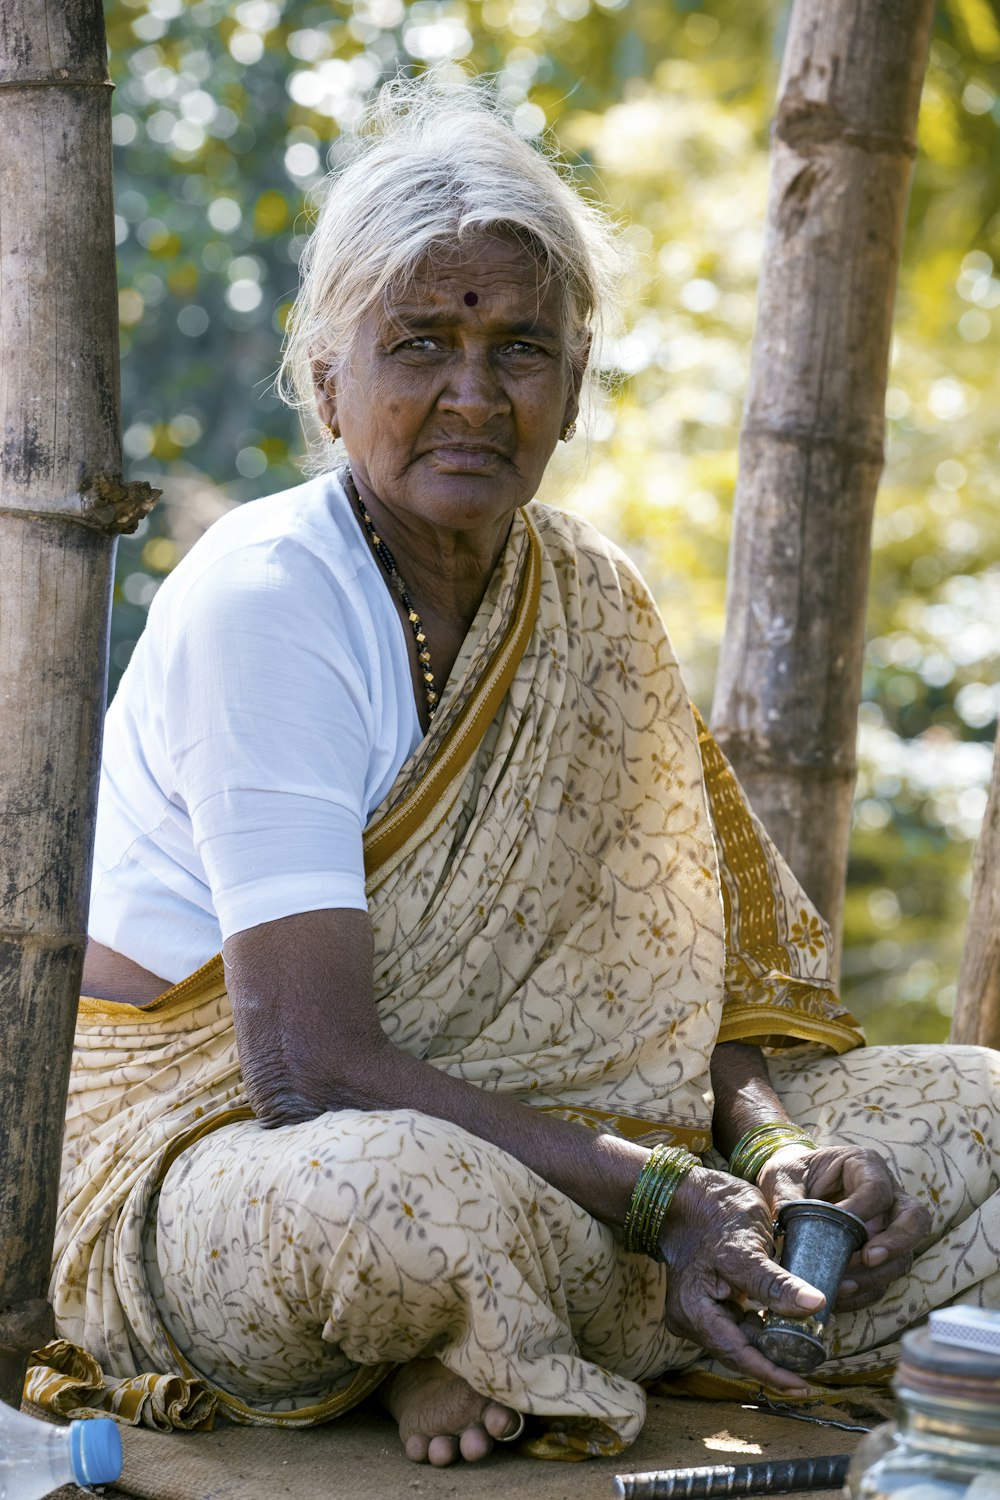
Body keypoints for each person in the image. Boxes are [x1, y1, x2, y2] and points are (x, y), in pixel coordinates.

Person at [49, 78, 1000, 1468]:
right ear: (329, 379)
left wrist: (771, 1155)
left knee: (975, 1106)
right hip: (226, 1155)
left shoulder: (594, 603)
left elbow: (685, 991)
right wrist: (669, 1198)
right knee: (407, 1204)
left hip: (579, 1169)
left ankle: (512, 1336)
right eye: (420, 343)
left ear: (576, 377)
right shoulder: (269, 597)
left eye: (521, 350)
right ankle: (484, 1323)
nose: (473, 396)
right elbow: (308, 1070)